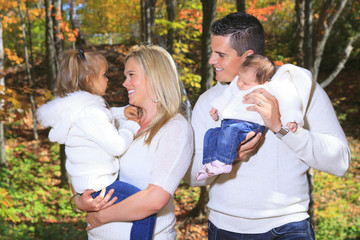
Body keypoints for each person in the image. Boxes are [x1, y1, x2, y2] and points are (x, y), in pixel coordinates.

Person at [185, 12, 351, 239]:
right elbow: (193, 178)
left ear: (247, 57)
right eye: (212, 52)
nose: (212, 60)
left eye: (221, 54)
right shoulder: (209, 102)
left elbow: (340, 161)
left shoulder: (296, 90)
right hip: (224, 229)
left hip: (288, 228)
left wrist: (281, 128)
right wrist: (229, 156)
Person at [72, 44, 194, 239]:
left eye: (131, 75)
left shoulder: (175, 128)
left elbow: (155, 199)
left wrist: (101, 216)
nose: (124, 83)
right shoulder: (117, 121)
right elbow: (80, 165)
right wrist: (78, 201)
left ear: (154, 77)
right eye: (124, 76)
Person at [36, 49, 156, 240]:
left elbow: (101, 117)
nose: (108, 79)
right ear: (90, 80)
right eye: (104, 74)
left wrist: (121, 112)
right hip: (100, 186)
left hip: (88, 186)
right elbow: (117, 146)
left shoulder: (78, 110)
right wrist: (131, 126)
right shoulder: (90, 113)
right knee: (145, 208)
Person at [197, 54, 312, 180]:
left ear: (264, 82)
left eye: (245, 83)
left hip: (249, 124)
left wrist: (291, 118)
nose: (240, 84)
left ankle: (223, 162)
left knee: (230, 132)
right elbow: (227, 94)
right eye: (239, 78)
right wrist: (216, 107)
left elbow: (288, 99)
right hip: (229, 122)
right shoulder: (238, 82)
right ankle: (210, 163)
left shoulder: (269, 87)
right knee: (211, 133)